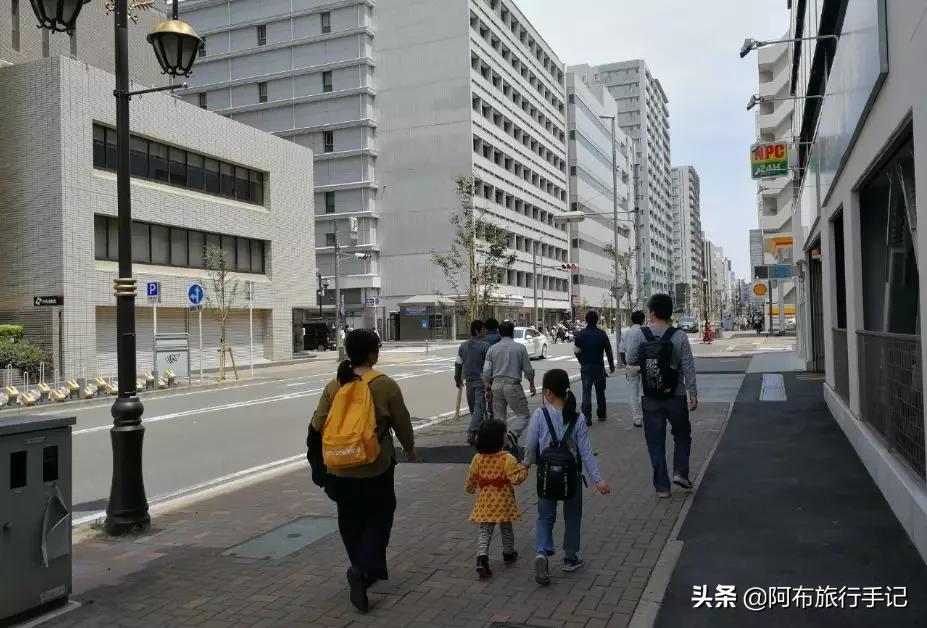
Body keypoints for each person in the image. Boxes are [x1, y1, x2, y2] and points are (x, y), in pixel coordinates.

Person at [309, 329, 416, 612]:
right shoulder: (384, 384)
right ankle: (364, 569)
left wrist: (320, 463)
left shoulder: (335, 384)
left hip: (340, 468)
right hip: (376, 466)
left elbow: (317, 425)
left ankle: (358, 566)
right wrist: (409, 447)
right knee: (379, 516)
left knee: (350, 519)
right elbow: (402, 421)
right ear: (372, 353)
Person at [522, 369, 610, 585]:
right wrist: (598, 480)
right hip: (571, 476)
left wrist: (525, 464)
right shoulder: (577, 418)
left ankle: (542, 551)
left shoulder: (540, 415)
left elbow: (530, 446)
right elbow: (586, 452)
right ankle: (570, 558)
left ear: (549, 393)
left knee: (545, 516)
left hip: (546, 475)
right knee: (572, 517)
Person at [625, 294, 698, 498]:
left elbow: (630, 358)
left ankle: (662, 487)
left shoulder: (641, 333)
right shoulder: (680, 335)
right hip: (676, 395)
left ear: (652, 312)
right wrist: (693, 392)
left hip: (650, 397)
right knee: (682, 434)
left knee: (655, 442)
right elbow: (688, 366)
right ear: (670, 313)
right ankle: (680, 473)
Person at [465, 419, 529, 578]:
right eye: (504, 434)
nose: (507, 436)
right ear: (498, 439)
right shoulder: (507, 458)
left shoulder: (478, 458)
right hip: (504, 500)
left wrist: (471, 489)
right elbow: (515, 479)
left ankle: (481, 558)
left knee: (485, 530)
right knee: (506, 526)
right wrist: (524, 469)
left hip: (486, 501)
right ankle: (508, 553)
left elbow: (472, 477)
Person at [483, 321, 536, 446]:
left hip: (496, 386)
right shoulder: (520, 348)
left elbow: (486, 371)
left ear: (499, 333)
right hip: (512, 385)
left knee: (500, 418)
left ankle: (503, 444)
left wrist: (487, 387)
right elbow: (528, 369)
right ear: (512, 333)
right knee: (523, 415)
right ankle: (512, 434)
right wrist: (532, 384)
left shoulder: (492, 349)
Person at [572, 310, 615, 426]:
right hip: (599, 367)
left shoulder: (580, 335)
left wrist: (581, 360)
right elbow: (609, 351)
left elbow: (576, 351)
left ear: (586, 320)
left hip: (586, 366)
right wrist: (611, 366)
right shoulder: (602, 334)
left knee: (586, 392)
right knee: (600, 392)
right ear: (597, 320)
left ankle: (586, 417)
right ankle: (601, 414)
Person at [456, 320, 490, 445]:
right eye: (483, 329)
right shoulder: (485, 346)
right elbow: (488, 366)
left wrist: (457, 378)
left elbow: (458, 363)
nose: (485, 332)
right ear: (477, 331)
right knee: (479, 408)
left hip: (468, 381)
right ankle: (471, 432)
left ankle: (477, 432)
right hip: (480, 381)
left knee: (474, 409)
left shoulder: (463, 346)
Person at [619, 310, 646, 427]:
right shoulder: (646, 332)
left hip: (631, 366)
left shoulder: (625, 333)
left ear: (631, 320)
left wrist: (627, 364)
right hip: (644, 366)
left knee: (633, 394)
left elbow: (621, 352)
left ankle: (637, 419)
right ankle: (647, 416)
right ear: (643, 320)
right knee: (645, 393)